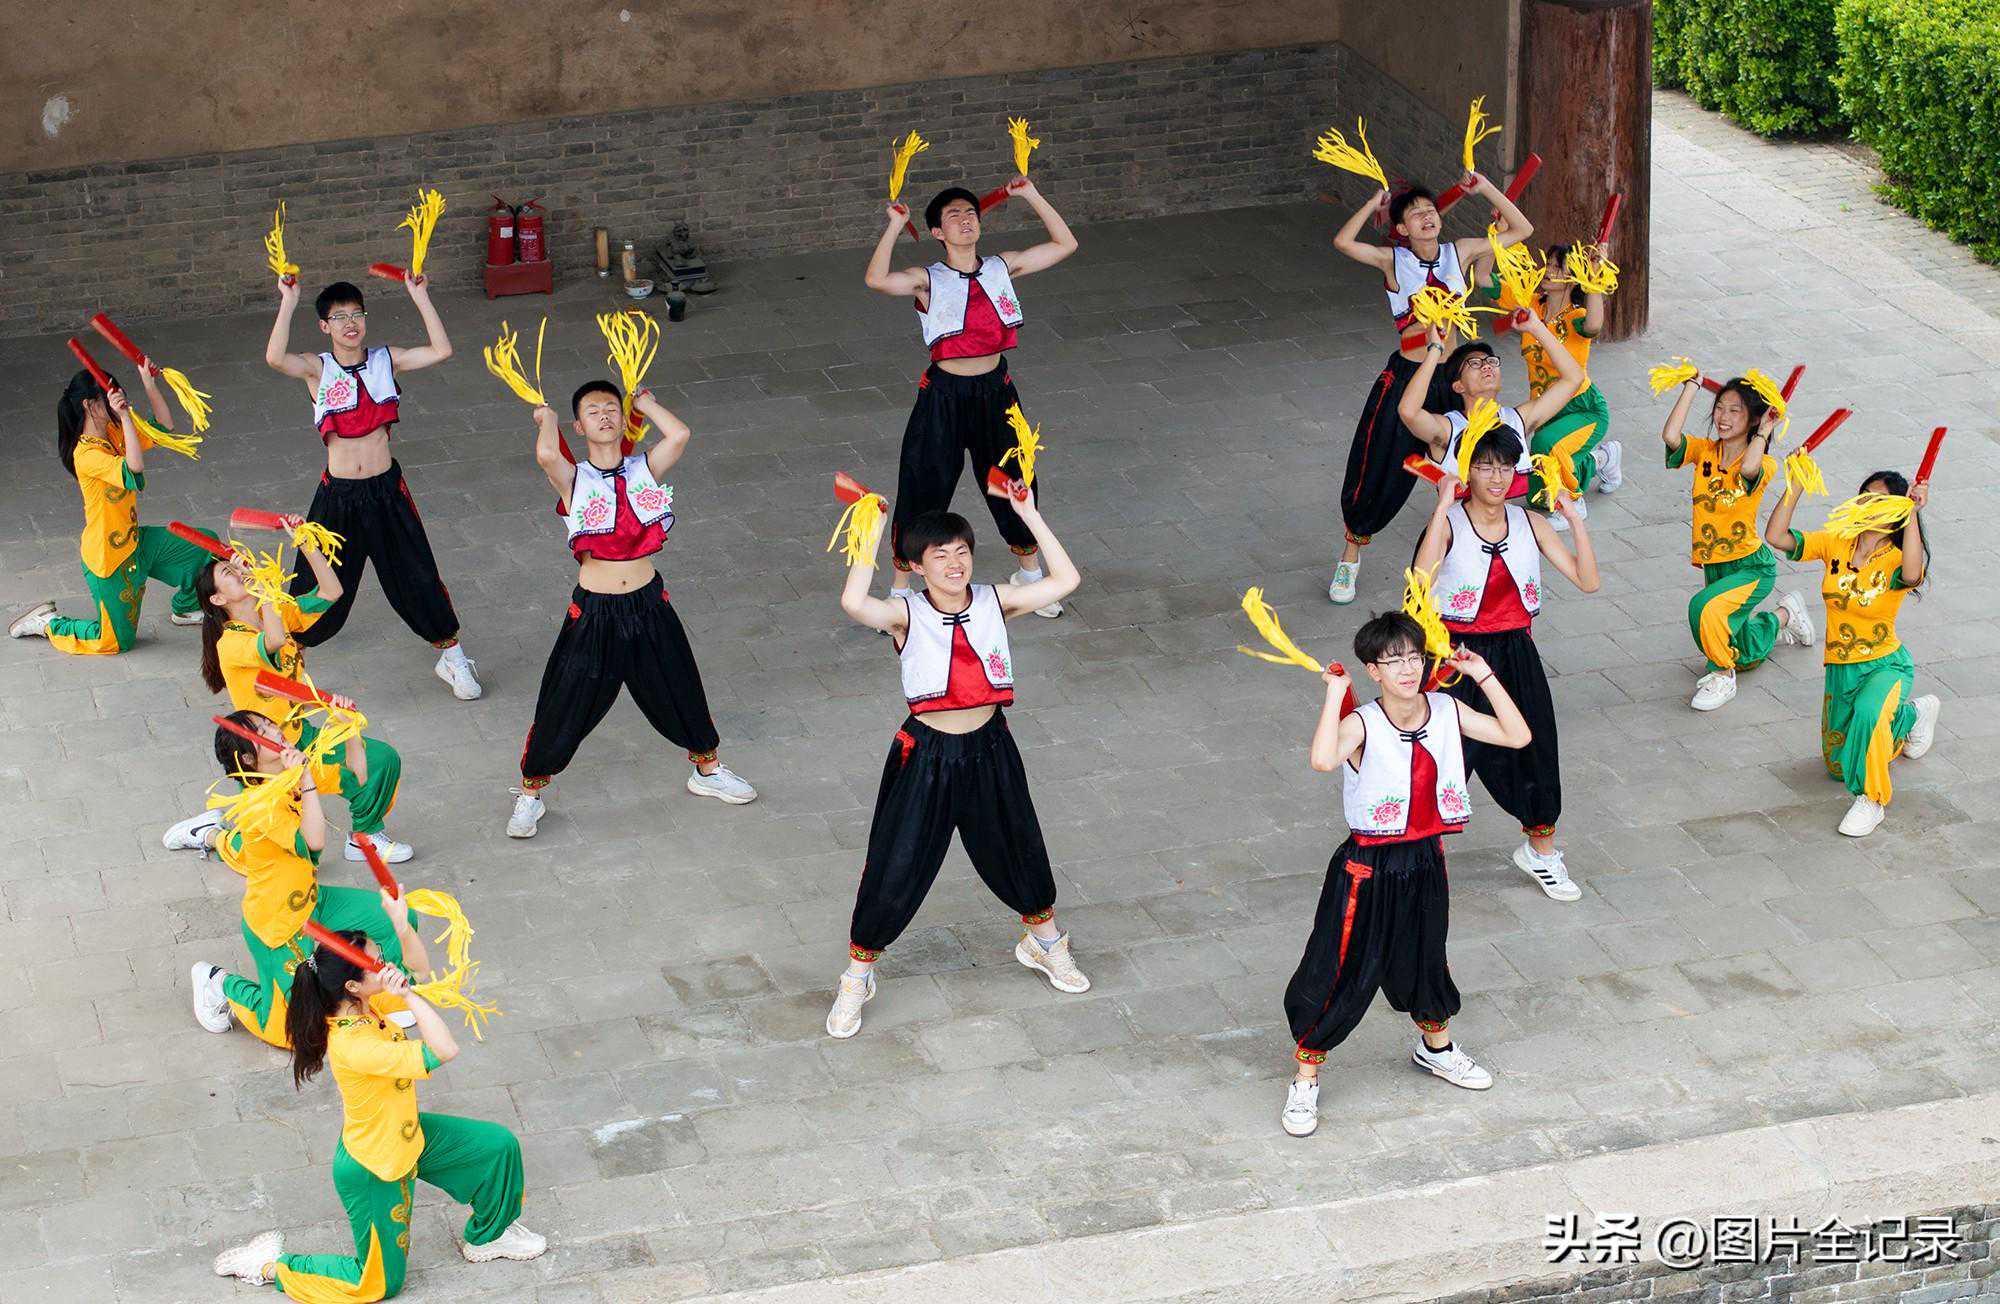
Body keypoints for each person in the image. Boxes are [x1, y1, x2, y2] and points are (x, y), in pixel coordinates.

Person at [825, 479, 1083, 1038]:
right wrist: (868, 534)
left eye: (962, 551)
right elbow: (853, 603)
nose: (953, 563)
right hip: (927, 755)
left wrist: (1028, 514)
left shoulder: (995, 600)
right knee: (897, 861)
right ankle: (857, 975)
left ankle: (1044, 943)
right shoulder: (904, 613)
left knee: (1018, 843)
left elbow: (1066, 580)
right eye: (939, 555)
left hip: (990, 746)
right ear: (918, 566)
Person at [1280, 613, 1531, 1139]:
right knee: (1339, 966)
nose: (1408, 669)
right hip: (1366, 867)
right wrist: (1334, 695)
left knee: (1426, 955)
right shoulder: (1363, 722)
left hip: (1425, 858)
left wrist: (1483, 674)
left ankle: (1436, 1048)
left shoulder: (1446, 708)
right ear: (1373, 670)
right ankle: (1306, 1077)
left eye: (1414, 657)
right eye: (1393, 661)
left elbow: (1517, 735)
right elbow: (1323, 760)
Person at [212, 932, 545, 1297]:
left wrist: (402, 923)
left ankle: (490, 1236)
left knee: (496, 1147)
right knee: (378, 1282)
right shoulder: (354, 1045)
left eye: (379, 954)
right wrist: (408, 996)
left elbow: (421, 970)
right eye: (375, 962)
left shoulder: (363, 1004)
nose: (385, 965)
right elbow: (445, 1049)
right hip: (376, 1165)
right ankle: (270, 1266)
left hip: (407, 1134)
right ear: (352, 985)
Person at [507, 383, 756, 837]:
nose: (604, 415)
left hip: (648, 604)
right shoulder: (574, 477)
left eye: (611, 408)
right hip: (595, 612)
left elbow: (679, 435)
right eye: (592, 411)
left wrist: (646, 404)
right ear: (578, 426)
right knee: (564, 700)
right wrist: (546, 418)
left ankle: (707, 770)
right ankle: (530, 795)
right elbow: (545, 455)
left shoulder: (645, 468)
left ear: (622, 420)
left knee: (681, 685)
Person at [863, 178, 1078, 616]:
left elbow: (1065, 244)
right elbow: (877, 280)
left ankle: (1030, 574)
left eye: (970, 214)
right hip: (943, 395)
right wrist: (894, 226)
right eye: (953, 216)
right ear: (937, 232)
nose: (965, 221)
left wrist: (1031, 195)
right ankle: (901, 589)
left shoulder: (1002, 266)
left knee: (1013, 477)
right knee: (923, 483)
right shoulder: (928, 279)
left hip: (996, 391)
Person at [264, 275, 481, 699]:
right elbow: (274, 358)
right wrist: (288, 301)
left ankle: (452, 657)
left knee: (417, 574)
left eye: (356, 315)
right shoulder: (317, 368)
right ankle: (289, 660)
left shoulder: (387, 359)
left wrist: (420, 296)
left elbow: (441, 350)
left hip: (386, 493)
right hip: (337, 497)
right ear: (324, 326)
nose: (350, 324)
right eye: (339, 317)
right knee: (314, 580)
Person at [1326, 174, 1534, 604]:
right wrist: (1374, 202)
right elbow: (1343, 243)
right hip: (1410, 376)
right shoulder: (1393, 260)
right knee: (1379, 465)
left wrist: (1485, 188)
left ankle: (1465, 554)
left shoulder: (1461, 251)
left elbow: (1522, 229)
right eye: (1415, 213)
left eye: (1431, 210)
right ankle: (1351, 554)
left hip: (1454, 380)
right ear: (1402, 227)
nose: (1427, 217)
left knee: (1467, 462)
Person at [1413, 434, 1599, 901]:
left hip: (1516, 652)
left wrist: (1574, 520)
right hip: (1454, 657)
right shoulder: (1450, 523)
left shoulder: (1529, 522)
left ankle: (1541, 852)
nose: (1496, 478)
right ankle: (1417, 859)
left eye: (1504, 467)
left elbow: (1588, 581)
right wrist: (1441, 506)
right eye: (1485, 467)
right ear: (1468, 472)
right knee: (1439, 756)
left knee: (1536, 748)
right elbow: (1419, 582)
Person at [173, 534, 412, 861]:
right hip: (265, 759)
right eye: (229, 572)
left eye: (238, 567)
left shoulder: (274, 610)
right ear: (217, 599)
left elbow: (331, 592)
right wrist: (266, 590)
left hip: (300, 738)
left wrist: (307, 544)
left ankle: (364, 837)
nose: (240, 571)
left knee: (380, 759)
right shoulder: (230, 644)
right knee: (282, 856)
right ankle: (210, 835)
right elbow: (273, 641)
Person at [184, 712, 416, 1048]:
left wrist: (349, 727)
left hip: (313, 901)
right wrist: (306, 777)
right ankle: (218, 982)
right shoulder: (257, 806)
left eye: (270, 724)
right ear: (248, 758)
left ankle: (385, 996)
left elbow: (357, 777)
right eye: (262, 731)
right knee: (292, 1034)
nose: (274, 730)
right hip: (278, 925)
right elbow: (314, 842)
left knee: (399, 918)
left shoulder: (288, 771)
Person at [1764, 469, 1941, 837]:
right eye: (1865, 495)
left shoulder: (1896, 558)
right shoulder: (1836, 542)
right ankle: (1912, 716)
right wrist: (1795, 485)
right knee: (1839, 765)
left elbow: (1913, 573)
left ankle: (1871, 800)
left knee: (1867, 715)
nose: (1868, 503)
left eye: (1880, 500)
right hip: (1841, 670)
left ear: (1895, 510)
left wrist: (1913, 512)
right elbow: (1777, 537)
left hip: (1884, 665)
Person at [9, 370, 217, 651]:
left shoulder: (113, 432)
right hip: (110, 560)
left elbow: (164, 425)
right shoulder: (86, 455)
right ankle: (48, 623)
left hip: (135, 543)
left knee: (205, 546)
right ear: (89, 404)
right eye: (110, 396)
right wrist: (127, 417)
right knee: (115, 641)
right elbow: (134, 466)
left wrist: (149, 383)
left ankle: (186, 608)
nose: (120, 400)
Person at [1659, 375, 1814, 710]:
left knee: (1705, 609)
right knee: (1743, 651)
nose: (1723, 417)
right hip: (1716, 566)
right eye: (1719, 408)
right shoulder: (1704, 451)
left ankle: (1722, 675)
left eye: (1735, 411)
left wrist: (1765, 430)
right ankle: (1786, 614)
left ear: (1753, 419)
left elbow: (1748, 467)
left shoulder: (1765, 464)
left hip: (1751, 567)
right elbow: (1671, 436)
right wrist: (1691, 386)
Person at [1494, 243, 1623, 523]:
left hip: (1582, 408)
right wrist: (1497, 237)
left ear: (1573, 279)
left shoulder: (1577, 317)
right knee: (1538, 495)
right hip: (1546, 407)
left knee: (1547, 444)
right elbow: (1485, 281)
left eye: (1558, 267)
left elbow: (1594, 325)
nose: (1549, 270)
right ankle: (1603, 458)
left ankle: (1573, 505)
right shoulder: (1531, 304)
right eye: (1549, 264)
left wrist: (1595, 275)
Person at [1397, 311, 1586, 492]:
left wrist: (1537, 328)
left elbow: (1574, 378)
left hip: (1512, 515)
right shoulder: (1448, 430)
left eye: (1491, 361)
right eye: (1475, 363)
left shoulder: (1518, 420)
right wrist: (1435, 350)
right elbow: (1408, 412)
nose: (1486, 366)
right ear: (1458, 386)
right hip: (1457, 517)